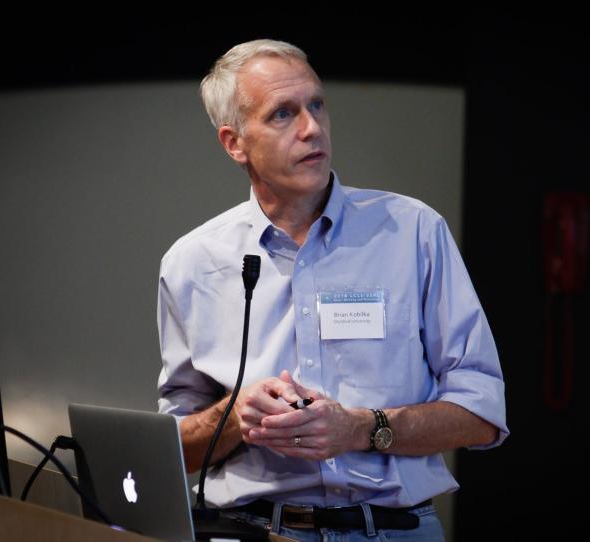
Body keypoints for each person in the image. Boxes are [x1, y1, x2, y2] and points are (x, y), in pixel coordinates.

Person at [157, 39, 509, 541]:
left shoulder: (412, 231)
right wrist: (234, 414)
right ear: (234, 143)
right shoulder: (192, 263)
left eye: (316, 105)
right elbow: (174, 454)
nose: (312, 128)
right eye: (283, 114)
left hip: (393, 530)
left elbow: (482, 414)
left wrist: (361, 428)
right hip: (250, 530)